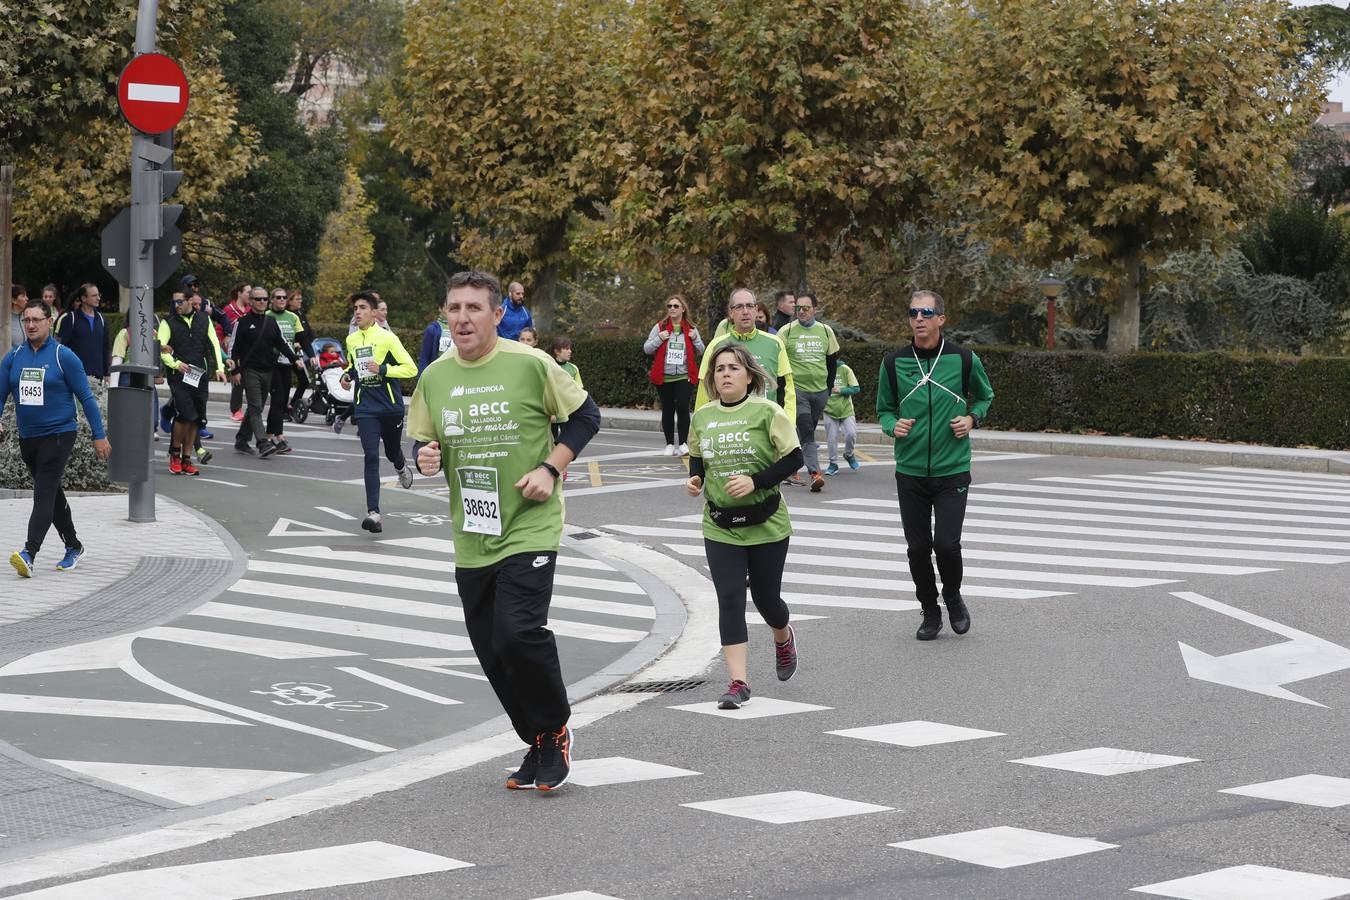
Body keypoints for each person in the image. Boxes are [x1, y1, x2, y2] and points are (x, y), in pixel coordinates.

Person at [408, 271, 601, 792]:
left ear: (498, 315)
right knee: (490, 649)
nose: (463, 318)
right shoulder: (436, 377)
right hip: (473, 531)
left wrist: (551, 468)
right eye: (454, 308)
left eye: (474, 308)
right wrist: (423, 457)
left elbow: (586, 417)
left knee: (517, 633)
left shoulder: (531, 363)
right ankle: (536, 739)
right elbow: (421, 444)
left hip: (530, 525)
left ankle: (556, 727)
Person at [686, 342, 801, 709]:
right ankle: (738, 682)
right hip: (720, 525)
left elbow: (794, 458)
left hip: (766, 522)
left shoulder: (767, 412)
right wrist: (695, 479)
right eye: (719, 369)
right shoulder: (702, 417)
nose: (726, 374)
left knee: (767, 600)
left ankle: (783, 636)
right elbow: (697, 456)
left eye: (733, 368)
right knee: (731, 599)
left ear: (749, 376)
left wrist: (756, 481)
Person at [877, 290, 994, 641]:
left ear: (941, 318)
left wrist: (972, 418)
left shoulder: (963, 360)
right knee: (917, 548)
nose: (919, 319)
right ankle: (930, 610)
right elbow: (884, 409)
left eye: (927, 312)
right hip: (910, 470)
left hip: (952, 469)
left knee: (946, 544)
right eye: (913, 312)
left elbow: (985, 396)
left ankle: (953, 597)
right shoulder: (893, 363)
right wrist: (890, 426)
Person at [0, 299, 111, 576]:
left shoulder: (64, 356)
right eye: (26, 320)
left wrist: (99, 436)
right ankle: (74, 546)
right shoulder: (13, 357)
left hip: (60, 433)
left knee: (43, 492)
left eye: (37, 319)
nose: (31, 325)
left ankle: (29, 552)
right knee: (52, 493)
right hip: (29, 437)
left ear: (50, 322)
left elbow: (86, 397)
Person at [341, 290, 417, 533]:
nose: (358, 312)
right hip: (366, 408)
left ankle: (400, 464)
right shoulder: (351, 340)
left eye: (362, 308)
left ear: (374, 312)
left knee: (392, 450)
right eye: (355, 309)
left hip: (390, 407)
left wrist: (383, 369)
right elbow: (353, 365)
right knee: (371, 455)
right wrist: (347, 375)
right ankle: (373, 513)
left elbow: (410, 369)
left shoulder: (387, 338)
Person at [695, 289, 795, 422]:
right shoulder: (716, 345)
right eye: (739, 307)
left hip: (765, 423)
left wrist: (789, 421)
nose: (745, 311)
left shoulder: (775, 343)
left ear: (755, 310)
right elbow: (705, 389)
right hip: (727, 424)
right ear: (731, 312)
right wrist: (699, 424)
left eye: (749, 306)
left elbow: (788, 388)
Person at [158, 290, 227, 476]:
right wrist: (175, 364)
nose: (176, 305)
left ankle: (187, 459)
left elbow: (214, 343)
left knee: (196, 418)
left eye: (180, 302)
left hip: (200, 375)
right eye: (174, 302)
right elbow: (161, 348)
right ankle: (174, 454)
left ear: (190, 301)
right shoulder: (167, 322)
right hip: (178, 376)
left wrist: (220, 369)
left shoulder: (204, 319)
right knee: (184, 415)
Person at [777, 292, 840, 492]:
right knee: (805, 430)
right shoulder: (786, 331)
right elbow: (777, 360)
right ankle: (815, 473)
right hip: (797, 390)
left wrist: (828, 389)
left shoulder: (826, 331)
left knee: (806, 431)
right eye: (798, 308)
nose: (801, 312)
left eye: (805, 308)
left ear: (814, 309)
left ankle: (790, 467)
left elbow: (832, 362)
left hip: (820, 392)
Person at [231, 288, 302, 457]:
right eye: (258, 299)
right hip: (250, 370)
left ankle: (241, 440)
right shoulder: (242, 322)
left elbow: (282, 343)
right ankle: (263, 443)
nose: (262, 302)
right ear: (251, 301)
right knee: (256, 406)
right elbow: (234, 348)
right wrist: (234, 370)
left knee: (257, 407)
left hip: (268, 370)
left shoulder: (271, 322)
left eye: (264, 299)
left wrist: (294, 359)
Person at [644, 294, 704, 456]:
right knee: (668, 409)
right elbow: (647, 348)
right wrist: (659, 338)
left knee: (683, 407)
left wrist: (696, 339)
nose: (672, 309)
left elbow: (702, 350)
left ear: (683, 309)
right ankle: (669, 444)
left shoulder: (691, 328)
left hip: (685, 375)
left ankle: (684, 443)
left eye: (675, 306)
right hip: (665, 376)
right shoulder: (660, 327)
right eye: (669, 306)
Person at [264, 287, 308, 452]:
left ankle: (272, 435)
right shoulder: (267, 316)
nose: (282, 300)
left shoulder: (292, 317)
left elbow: (303, 338)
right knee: (277, 399)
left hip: (287, 364)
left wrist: (310, 355)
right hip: (271, 363)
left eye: (284, 297)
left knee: (282, 402)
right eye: (278, 297)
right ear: (272, 300)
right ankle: (274, 437)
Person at [55, 284, 110, 383]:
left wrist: (107, 373)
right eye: (94, 295)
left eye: (98, 295)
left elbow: (105, 348)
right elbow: (62, 349)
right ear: (84, 298)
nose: (98, 298)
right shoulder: (70, 319)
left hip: (98, 377)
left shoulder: (101, 320)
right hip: (75, 376)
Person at [823, 358, 861, 476]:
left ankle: (848, 454)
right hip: (828, 409)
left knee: (851, 434)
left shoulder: (845, 369)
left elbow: (856, 388)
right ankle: (833, 464)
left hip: (846, 409)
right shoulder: (821, 370)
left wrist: (841, 390)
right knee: (832, 438)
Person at [222, 283, 252, 422]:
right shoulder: (228, 309)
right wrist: (224, 341)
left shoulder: (251, 310)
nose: (250, 295)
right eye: (248, 292)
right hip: (234, 351)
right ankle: (236, 410)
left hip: (249, 351)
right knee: (238, 379)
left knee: (249, 379)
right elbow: (219, 328)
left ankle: (250, 409)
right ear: (239, 293)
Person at [287, 288, 317, 414]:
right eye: (297, 299)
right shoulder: (287, 315)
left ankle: (292, 405)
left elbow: (307, 333)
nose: (300, 301)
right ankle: (283, 408)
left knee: (304, 381)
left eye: (301, 299)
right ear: (290, 301)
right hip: (287, 352)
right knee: (285, 382)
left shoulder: (300, 314)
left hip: (299, 354)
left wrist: (312, 349)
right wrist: (295, 343)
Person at [418, 298, 453, 374]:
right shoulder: (433, 329)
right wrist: (422, 379)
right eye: (447, 307)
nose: (449, 311)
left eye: (453, 308)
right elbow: (424, 357)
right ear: (440, 309)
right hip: (439, 372)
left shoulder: (460, 327)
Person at [9, 284, 28, 350]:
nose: (26, 299)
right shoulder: (5, 321)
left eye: (26, 296)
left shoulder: (28, 317)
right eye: (23, 296)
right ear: (14, 300)